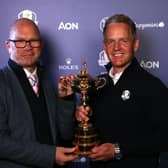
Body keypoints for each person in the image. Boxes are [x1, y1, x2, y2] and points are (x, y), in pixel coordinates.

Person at [75, 14, 168, 168]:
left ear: (135, 44)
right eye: (111, 41)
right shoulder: (98, 84)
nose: (116, 47)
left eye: (123, 41)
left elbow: (165, 137)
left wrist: (118, 150)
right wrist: (84, 115)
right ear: (105, 47)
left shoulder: (152, 86)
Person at [0, 18, 78, 168]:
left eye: (33, 41)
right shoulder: (2, 81)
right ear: (8, 46)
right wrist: (50, 155)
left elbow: (65, 134)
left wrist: (66, 100)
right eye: (20, 41)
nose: (28, 47)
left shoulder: (47, 82)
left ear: (40, 45)